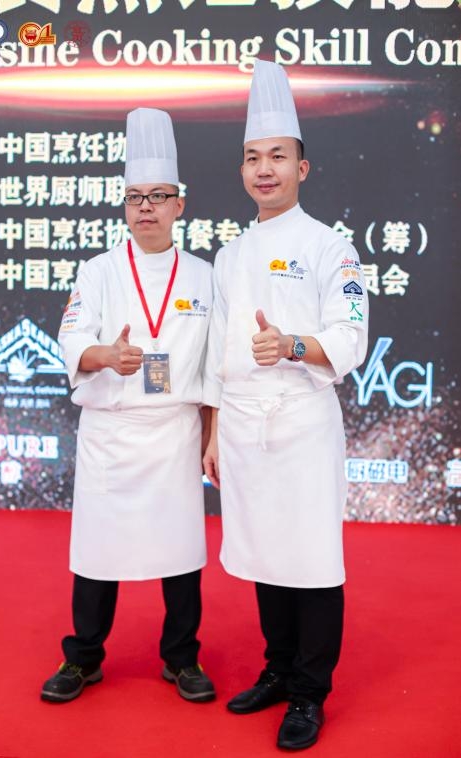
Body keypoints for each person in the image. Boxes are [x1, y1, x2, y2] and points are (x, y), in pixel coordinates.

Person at [203, 59, 368, 750]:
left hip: (301, 423)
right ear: (242, 170)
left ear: (302, 168)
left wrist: (293, 345)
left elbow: (351, 337)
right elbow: (217, 350)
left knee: (310, 559)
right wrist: (213, 430)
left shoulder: (331, 246)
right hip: (242, 423)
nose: (263, 169)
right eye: (252, 158)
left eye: (276, 157)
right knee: (264, 553)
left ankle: (308, 691)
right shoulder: (230, 254)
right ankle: (276, 669)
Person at [41, 107, 215, 705]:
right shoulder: (97, 272)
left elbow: (214, 365)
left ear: (178, 205)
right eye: (136, 197)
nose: (147, 207)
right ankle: (82, 658)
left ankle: (182, 658)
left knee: (182, 553)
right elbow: (70, 337)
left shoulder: (204, 276)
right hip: (111, 434)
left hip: (174, 432)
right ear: (124, 206)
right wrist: (103, 356)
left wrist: (211, 435)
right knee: (97, 551)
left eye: (158, 196)